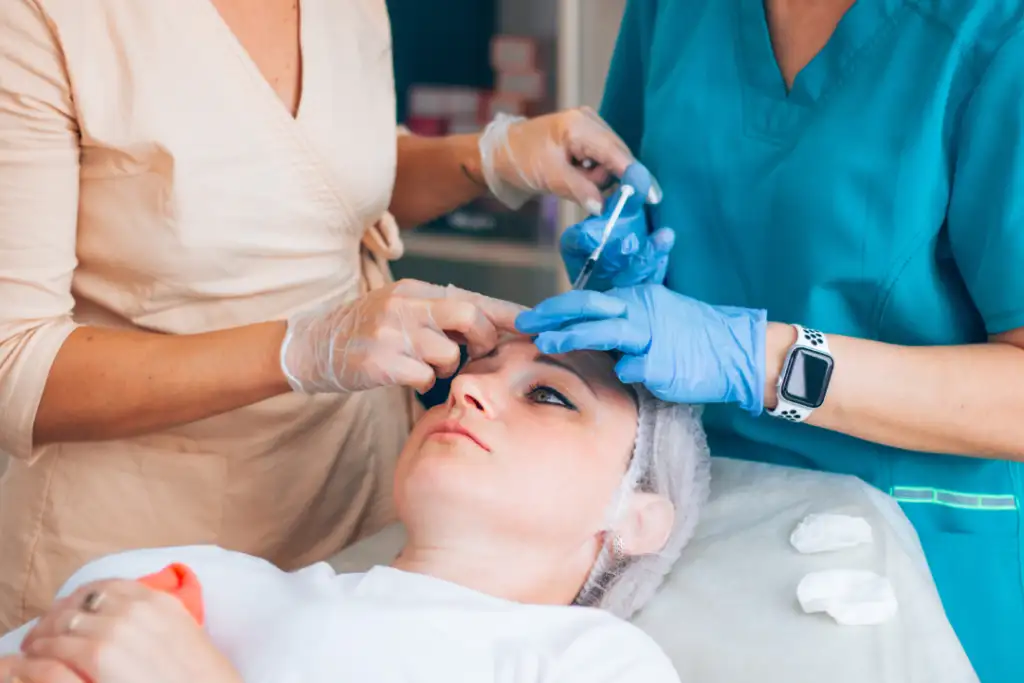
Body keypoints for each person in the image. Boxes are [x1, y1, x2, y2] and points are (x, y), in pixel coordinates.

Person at [0, 0, 657, 629]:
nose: (470, 388)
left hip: (354, 507)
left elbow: (307, 183)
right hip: (142, 553)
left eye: (548, 391)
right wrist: (301, 349)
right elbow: (15, 366)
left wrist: (492, 160)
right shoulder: (44, 19)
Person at [515, 1, 1024, 680]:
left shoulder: (994, 30)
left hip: (905, 564)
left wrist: (756, 360)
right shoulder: (673, 12)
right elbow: (638, 203)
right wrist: (618, 287)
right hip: (683, 537)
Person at [0, 337, 710, 683]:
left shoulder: (590, 660)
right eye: (472, 372)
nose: (466, 391)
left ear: (640, 515)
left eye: (549, 394)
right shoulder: (189, 577)